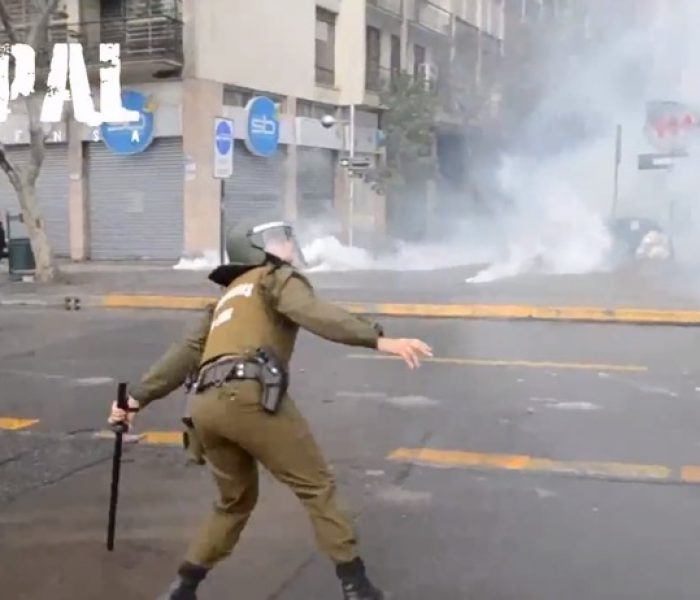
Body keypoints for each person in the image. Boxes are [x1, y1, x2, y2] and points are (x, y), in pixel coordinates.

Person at [108, 220, 433, 600]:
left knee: (233, 503)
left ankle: (183, 588)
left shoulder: (225, 298)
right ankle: (357, 587)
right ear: (256, 252)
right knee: (317, 487)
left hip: (205, 408)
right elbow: (313, 313)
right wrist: (378, 339)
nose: (287, 244)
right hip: (248, 395)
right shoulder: (274, 277)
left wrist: (133, 400)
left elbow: (182, 355)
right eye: (277, 239)